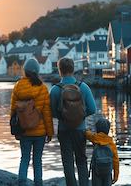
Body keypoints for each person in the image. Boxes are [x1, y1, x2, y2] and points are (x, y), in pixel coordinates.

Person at [50, 57, 96, 186]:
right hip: (80, 129)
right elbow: (92, 109)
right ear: (73, 69)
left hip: (64, 130)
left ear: (60, 70)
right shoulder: (83, 87)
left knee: (67, 161)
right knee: (81, 161)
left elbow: (52, 112)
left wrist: (64, 116)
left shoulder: (55, 90)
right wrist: (80, 116)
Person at [10, 58, 54, 186]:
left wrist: (14, 131)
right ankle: (38, 183)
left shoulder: (18, 86)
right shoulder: (43, 88)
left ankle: (22, 183)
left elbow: (13, 111)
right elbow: (47, 113)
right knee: (37, 160)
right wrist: (49, 132)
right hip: (40, 132)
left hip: (24, 130)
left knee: (24, 159)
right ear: (37, 71)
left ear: (25, 71)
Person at [85, 118, 119, 185]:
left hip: (96, 169)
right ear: (108, 130)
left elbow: (87, 134)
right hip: (108, 171)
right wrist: (116, 175)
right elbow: (116, 161)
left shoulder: (95, 138)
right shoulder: (111, 144)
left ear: (97, 129)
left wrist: (86, 130)